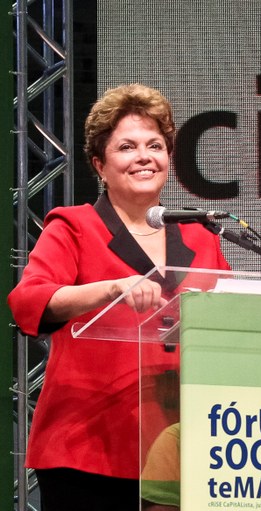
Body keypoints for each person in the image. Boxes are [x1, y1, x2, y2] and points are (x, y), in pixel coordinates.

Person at [7, 83, 231, 510]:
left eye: (155, 145)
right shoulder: (73, 227)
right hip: (89, 445)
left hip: (180, 446)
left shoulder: (201, 235)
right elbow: (29, 301)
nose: (145, 156)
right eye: (127, 147)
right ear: (100, 165)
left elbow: (229, 322)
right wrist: (113, 288)